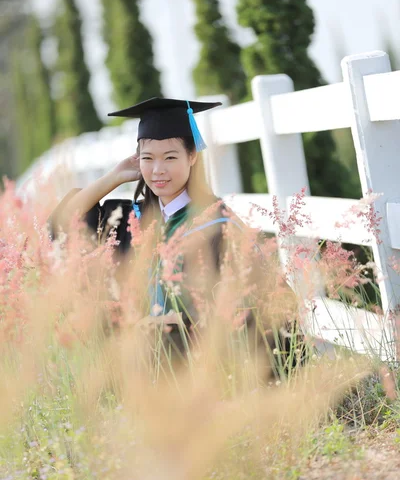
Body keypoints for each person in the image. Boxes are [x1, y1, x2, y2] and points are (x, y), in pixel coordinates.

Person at [50, 97, 299, 373]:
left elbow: (272, 303)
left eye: (170, 157)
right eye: (148, 159)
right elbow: (64, 223)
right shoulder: (132, 221)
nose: (158, 170)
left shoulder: (216, 225)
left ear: (192, 156)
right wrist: (115, 175)